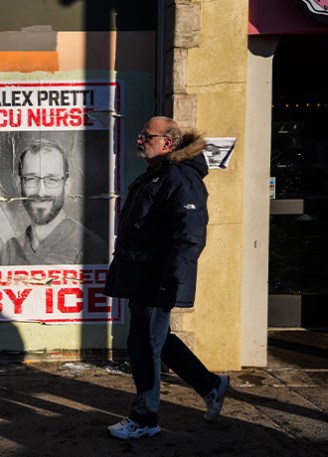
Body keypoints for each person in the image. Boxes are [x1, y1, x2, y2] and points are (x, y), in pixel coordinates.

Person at [104, 116, 230, 439]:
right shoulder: (158, 175)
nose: (139, 140)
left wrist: (170, 281)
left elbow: (190, 235)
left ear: (168, 142)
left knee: (145, 345)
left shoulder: (179, 178)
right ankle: (211, 385)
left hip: (157, 279)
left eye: (147, 136)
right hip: (144, 277)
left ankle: (145, 419)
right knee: (157, 340)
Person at [0, 139, 107, 265]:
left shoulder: (91, 249)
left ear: (66, 186)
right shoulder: (10, 251)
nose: (41, 192)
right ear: (19, 184)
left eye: (52, 180)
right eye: (31, 179)